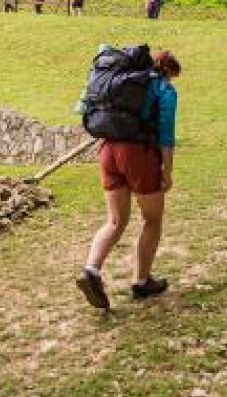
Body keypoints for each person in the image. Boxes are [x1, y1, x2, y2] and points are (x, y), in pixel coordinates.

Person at [77, 50, 182, 310]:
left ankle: (91, 270)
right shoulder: (163, 89)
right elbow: (166, 135)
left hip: (107, 149)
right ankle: (141, 281)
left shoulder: (119, 82)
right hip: (138, 153)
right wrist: (167, 170)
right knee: (152, 219)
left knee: (115, 220)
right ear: (168, 71)